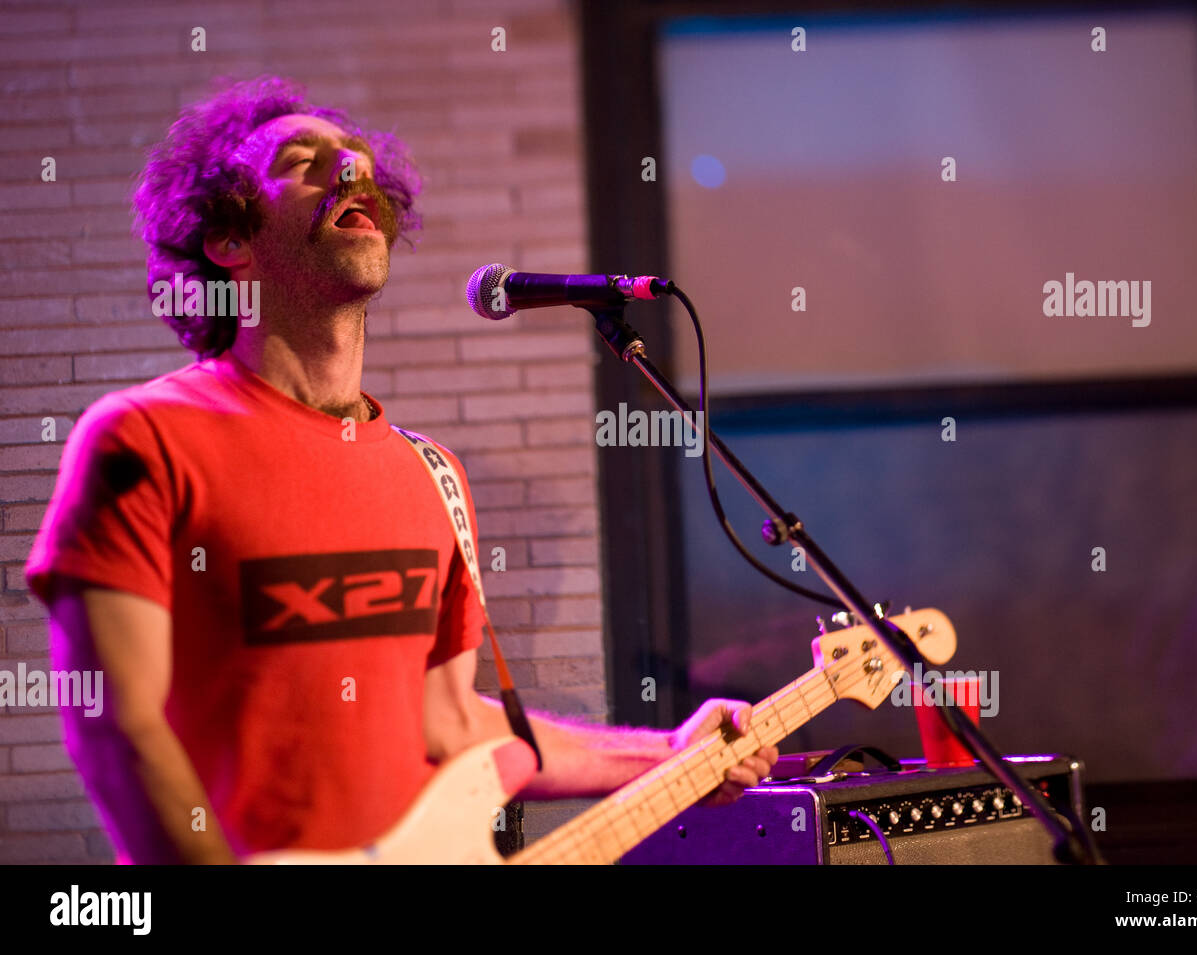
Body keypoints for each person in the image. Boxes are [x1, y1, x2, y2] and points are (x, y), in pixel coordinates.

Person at [24, 76, 777, 864]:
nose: (352, 173)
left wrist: (674, 750)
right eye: (303, 162)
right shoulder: (145, 438)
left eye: (356, 160)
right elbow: (115, 723)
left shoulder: (432, 476)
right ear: (227, 239)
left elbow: (452, 723)